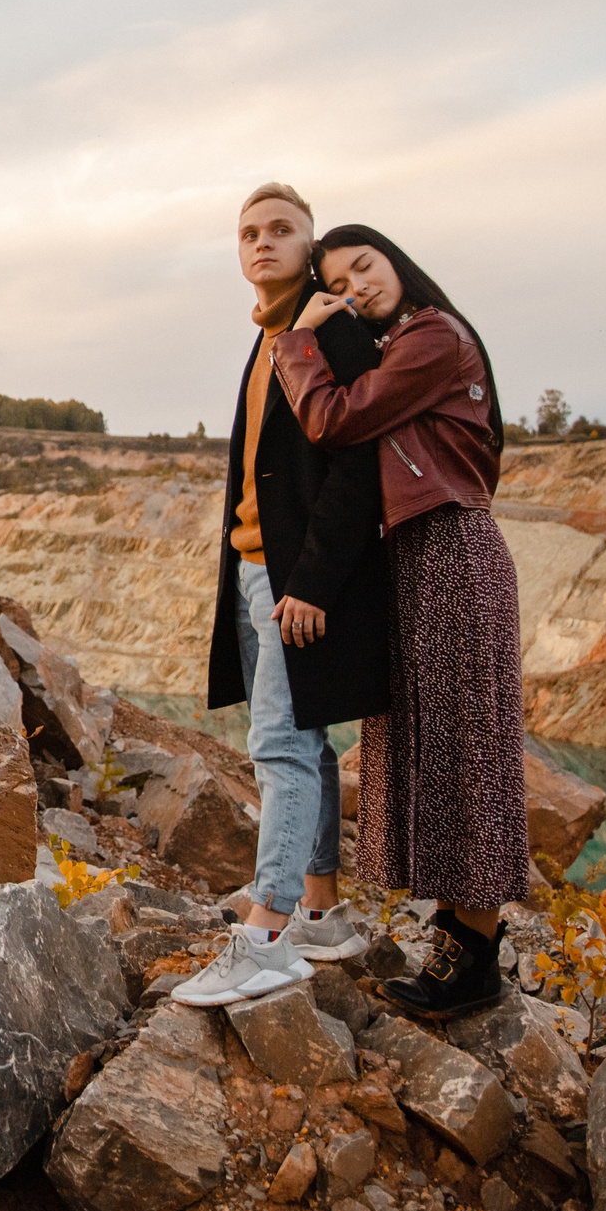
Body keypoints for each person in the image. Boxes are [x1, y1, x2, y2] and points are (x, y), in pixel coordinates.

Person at [273, 222, 529, 1020]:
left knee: (467, 750)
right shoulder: (407, 343)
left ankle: (475, 961)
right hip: (421, 556)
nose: (355, 287)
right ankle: (457, 947)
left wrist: (299, 340)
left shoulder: (433, 336)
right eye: (339, 282)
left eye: (364, 267)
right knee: (442, 746)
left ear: (396, 262)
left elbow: (339, 420)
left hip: (451, 547)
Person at [172, 184, 392, 1008]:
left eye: (281, 231)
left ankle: (265, 936)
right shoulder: (271, 334)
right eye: (249, 233)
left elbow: (359, 464)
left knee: (280, 745)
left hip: (296, 580)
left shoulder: (329, 331)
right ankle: (322, 911)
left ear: (309, 245)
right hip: (256, 568)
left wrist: (312, 581)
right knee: (309, 739)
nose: (262, 243)